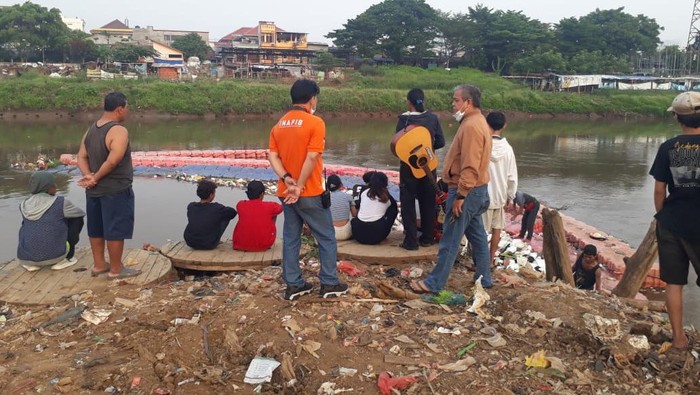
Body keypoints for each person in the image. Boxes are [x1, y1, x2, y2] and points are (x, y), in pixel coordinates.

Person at [268, 79, 348, 300]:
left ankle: (294, 284)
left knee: (291, 237)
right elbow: (312, 156)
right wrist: (300, 185)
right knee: (326, 237)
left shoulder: (278, 125)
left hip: (286, 192)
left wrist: (287, 179)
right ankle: (329, 283)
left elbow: (272, 156)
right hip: (309, 192)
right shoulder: (315, 122)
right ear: (312, 98)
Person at [410, 84, 492, 293]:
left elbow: (470, 165)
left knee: (450, 238)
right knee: (477, 236)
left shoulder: (472, 126)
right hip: (477, 189)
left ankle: (434, 283)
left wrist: (461, 195)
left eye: (456, 100)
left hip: (467, 190)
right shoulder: (476, 121)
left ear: (468, 102)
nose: (453, 104)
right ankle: (484, 277)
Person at [649, 91, 700, 352]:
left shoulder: (668, 147)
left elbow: (660, 190)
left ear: (677, 117)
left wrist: (661, 216)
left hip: (672, 222)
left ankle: (679, 338)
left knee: (674, 283)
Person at [77, 91, 140, 279]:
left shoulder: (91, 129)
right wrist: (95, 177)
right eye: (127, 108)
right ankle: (116, 269)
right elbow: (114, 160)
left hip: (94, 191)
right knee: (115, 230)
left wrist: (88, 176)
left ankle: (99, 265)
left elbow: (81, 156)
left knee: (96, 227)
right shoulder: (118, 130)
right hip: (115, 189)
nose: (128, 112)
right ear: (119, 109)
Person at [395, 88, 446, 250]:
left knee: (408, 202)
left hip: (409, 167)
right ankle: (427, 238)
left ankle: (410, 241)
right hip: (428, 166)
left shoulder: (404, 120)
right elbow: (441, 142)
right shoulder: (432, 118)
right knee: (428, 201)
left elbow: (399, 146)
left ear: (409, 102)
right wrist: (427, 150)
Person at [17, 172, 85, 271]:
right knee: (76, 219)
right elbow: (80, 214)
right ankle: (67, 257)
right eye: (54, 184)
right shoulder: (60, 202)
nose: (56, 186)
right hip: (56, 256)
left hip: (25, 259)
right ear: (48, 187)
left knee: (26, 225)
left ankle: (31, 261)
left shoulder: (24, 204)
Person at [483, 111, 518, 264]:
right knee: (497, 228)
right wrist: (510, 196)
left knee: (480, 231)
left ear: (486, 123)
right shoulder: (508, 149)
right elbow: (512, 177)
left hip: (482, 195)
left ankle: (479, 260)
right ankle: (490, 260)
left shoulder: (483, 145)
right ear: (504, 126)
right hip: (500, 196)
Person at [184, 179, 237, 250]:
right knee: (226, 216)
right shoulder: (217, 208)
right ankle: (214, 239)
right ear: (211, 195)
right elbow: (233, 213)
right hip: (209, 244)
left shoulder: (191, 206)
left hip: (190, 242)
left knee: (199, 218)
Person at [233, 180, 283, 251]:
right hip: (263, 245)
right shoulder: (271, 206)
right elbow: (282, 207)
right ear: (262, 194)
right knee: (274, 213)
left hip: (240, 244)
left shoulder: (240, 205)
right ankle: (267, 238)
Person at [351, 172, 398, 245]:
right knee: (393, 210)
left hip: (358, 234)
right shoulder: (386, 196)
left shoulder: (364, 192)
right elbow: (394, 211)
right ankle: (384, 232)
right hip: (377, 236)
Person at [327, 174, 357, 241]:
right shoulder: (348, 196)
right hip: (347, 232)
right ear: (340, 185)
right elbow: (354, 214)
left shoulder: (324, 198)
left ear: (328, 187)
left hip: (331, 233)